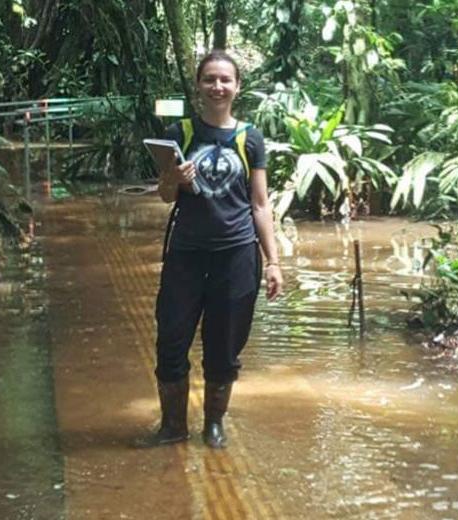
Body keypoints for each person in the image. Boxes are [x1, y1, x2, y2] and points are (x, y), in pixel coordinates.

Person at [150, 50, 282, 449]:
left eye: (225, 79)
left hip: (237, 255)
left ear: (237, 86)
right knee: (171, 342)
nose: (218, 86)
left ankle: (213, 425)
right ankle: (173, 428)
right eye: (210, 79)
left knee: (224, 346)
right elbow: (163, 196)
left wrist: (273, 261)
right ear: (198, 86)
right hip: (186, 254)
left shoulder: (249, 138)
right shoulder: (180, 133)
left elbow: (260, 204)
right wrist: (173, 177)